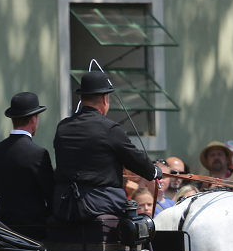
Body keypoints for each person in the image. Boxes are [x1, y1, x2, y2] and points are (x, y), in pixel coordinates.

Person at [52, 71, 162, 222]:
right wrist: (154, 171)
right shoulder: (109, 129)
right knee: (141, 228)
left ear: (81, 98)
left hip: (64, 204)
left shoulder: (63, 127)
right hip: (100, 203)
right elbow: (134, 159)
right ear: (105, 99)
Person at [0, 92, 54, 228]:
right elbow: (50, 193)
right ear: (33, 119)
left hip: (4, 226)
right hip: (32, 228)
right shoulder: (38, 153)